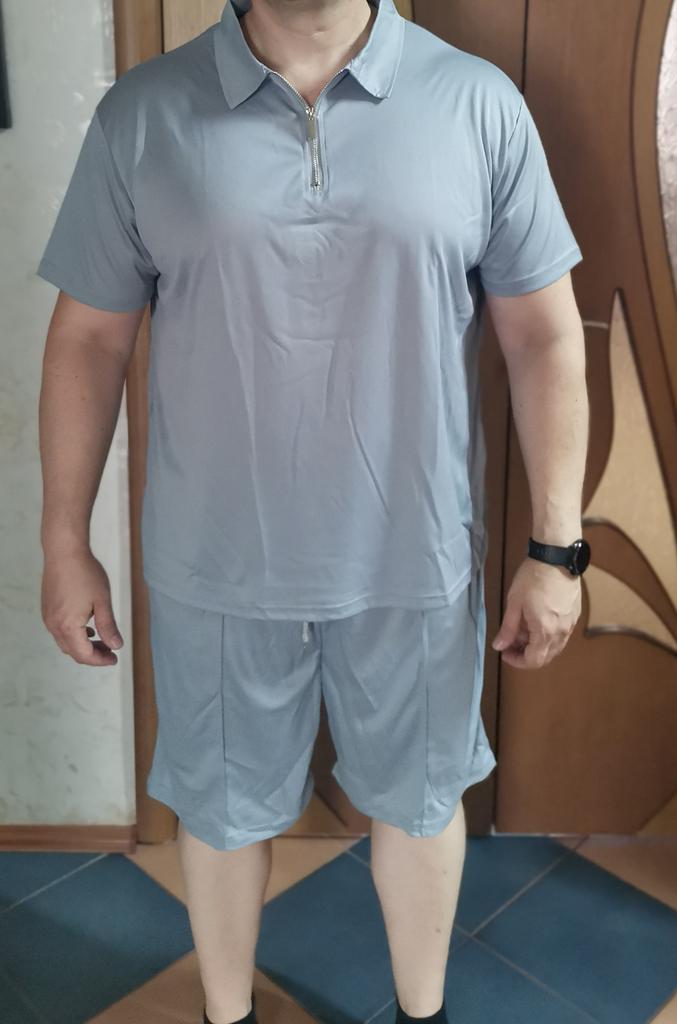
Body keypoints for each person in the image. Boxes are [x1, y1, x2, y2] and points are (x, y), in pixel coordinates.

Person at [36, 1, 590, 1022]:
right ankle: (228, 1011)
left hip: (413, 557)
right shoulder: (144, 116)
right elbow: (88, 340)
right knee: (218, 811)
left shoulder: (475, 105)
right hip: (214, 562)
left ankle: (421, 1012)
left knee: (420, 805)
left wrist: (556, 549)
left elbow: (543, 337)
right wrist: (64, 541)